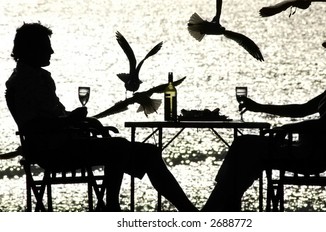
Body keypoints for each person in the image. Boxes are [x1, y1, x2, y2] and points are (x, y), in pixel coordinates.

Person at [5, 22, 197, 212]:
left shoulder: (38, 77)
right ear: (31, 49)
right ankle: (112, 207)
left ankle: (187, 211)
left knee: (149, 153)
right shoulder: (22, 83)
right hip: (53, 152)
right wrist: (70, 121)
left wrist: (82, 120)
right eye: (46, 47)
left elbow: (54, 117)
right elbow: (31, 126)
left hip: (65, 144)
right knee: (118, 147)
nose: (52, 52)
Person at [203, 30, 326, 211]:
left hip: (315, 155)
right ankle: (227, 200)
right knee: (246, 148)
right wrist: (259, 107)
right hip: (314, 151)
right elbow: (303, 109)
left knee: (246, 146)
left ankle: (221, 202)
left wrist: (288, 128)